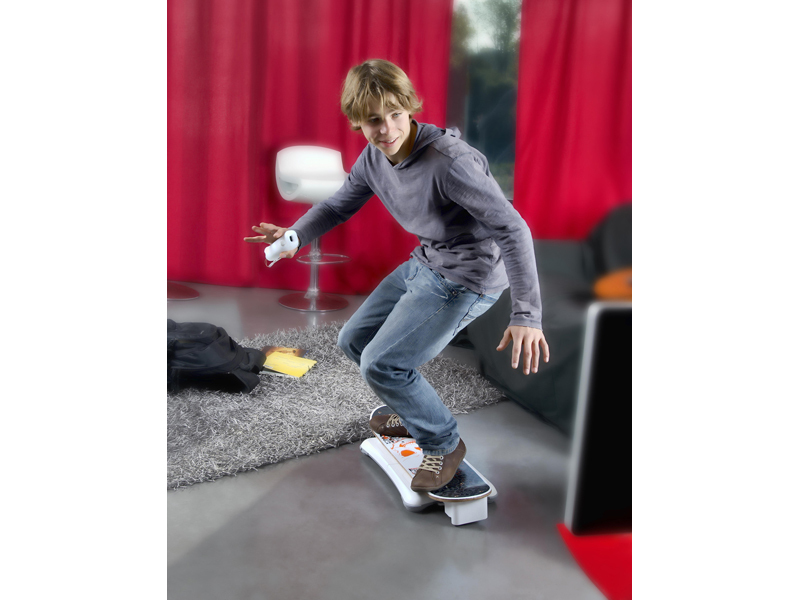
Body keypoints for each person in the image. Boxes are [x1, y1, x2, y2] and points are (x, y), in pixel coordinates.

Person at [245, 59, 549, 492]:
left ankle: (443, 444)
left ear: (409, 108)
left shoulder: (450, 162)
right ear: (357, 121)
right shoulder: (375, 157)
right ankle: (414, 414)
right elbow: (338, 205)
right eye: (373, 120)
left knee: (383, 363)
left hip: (467, 277)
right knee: (354, 341)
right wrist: (294, 236)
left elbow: (513, 229)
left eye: (395, 114)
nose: (387, 129)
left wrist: (527, 315)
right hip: (428, 261)